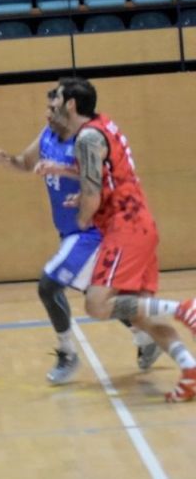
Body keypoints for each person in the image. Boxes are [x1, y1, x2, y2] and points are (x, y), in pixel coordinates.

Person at [0, 88, 159, 385]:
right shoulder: (47, 137)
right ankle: (146, 337)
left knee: (48, 285)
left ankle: (67, 353)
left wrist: (78, 196)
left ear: (69, 109)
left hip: (90, 231)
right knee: (96, 294)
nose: (47, 113)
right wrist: (10, 161)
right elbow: (26, 163)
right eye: (47, 108)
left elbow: (98, 178)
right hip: (69, 232)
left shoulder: (86, 141)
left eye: (53, 108)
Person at [44, 77, 196, 402]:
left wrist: (84, 212)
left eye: (56, 98)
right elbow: (105, 173)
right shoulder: (102, 125)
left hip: (124, 227)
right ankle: (190, 370)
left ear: (71, 104)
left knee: (96, 304)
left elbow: (92, 191)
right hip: (140, 223)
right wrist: (66, 173)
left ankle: (183, 308)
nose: (52, 104)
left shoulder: (85, 139)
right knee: (141, 316)